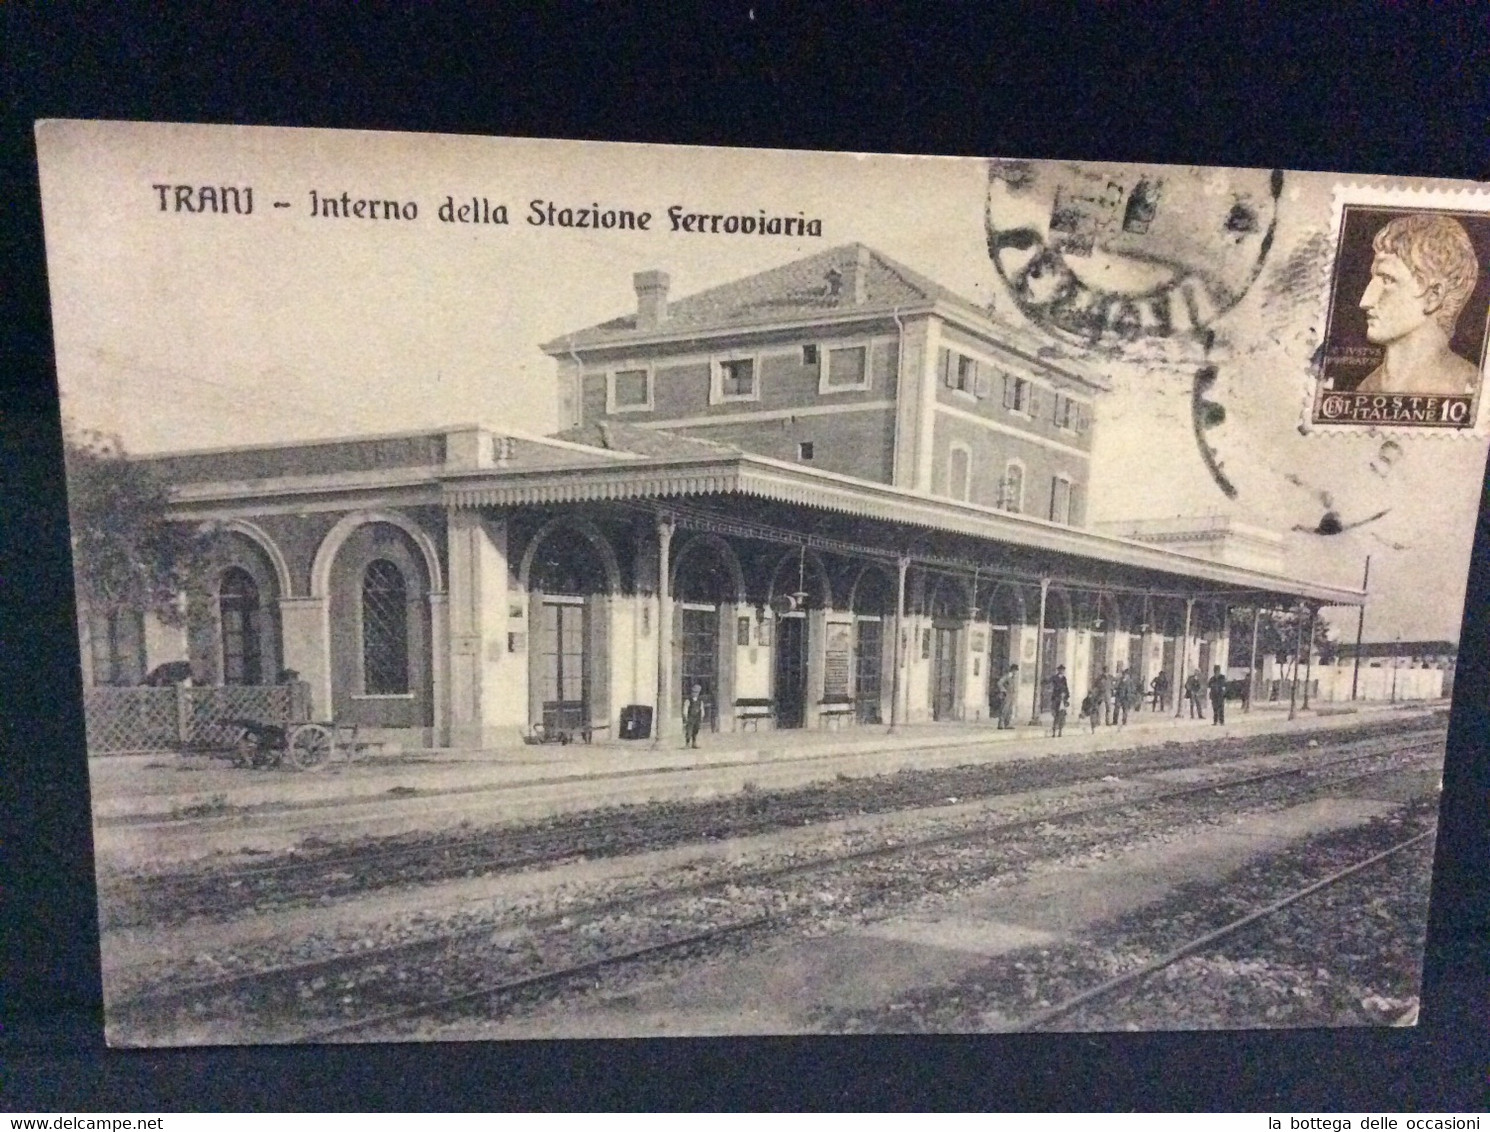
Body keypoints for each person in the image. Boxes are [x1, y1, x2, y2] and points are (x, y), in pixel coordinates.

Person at [1353, 213, 1482, 396]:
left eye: (1388, 280)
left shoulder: (1472, 389)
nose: (1365, 302)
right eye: (1374, 279)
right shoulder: (1365, 389)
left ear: (1433, 296)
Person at [682, 681, 706, 748]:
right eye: (694, 692)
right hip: (690, 717)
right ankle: (687, 743)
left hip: (697, 717)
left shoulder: (700, 701)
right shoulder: (688, 700)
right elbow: (685, 709)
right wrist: (685, 716)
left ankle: (694, 742)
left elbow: (702, 709)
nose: (695, 694)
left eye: (697, 692)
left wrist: (702, 716)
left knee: (696, 729)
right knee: (689, 730)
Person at [1049, 664, 1070, 737]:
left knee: (1062, 715)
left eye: (1063, 670)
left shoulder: (1064, 678)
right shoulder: (1054, 678)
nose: (1062, 671)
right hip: (1056, 698)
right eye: (1061, 670)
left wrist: (1066, 696)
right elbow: (1051, 685)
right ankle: (1054, 731)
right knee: (1056, 715)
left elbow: (1066, 688)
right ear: (1058, 670)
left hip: (1062, 699)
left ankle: (1060, 731)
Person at [996, 664, 1019, 729]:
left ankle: (1007, 724)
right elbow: (999, 683)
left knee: (1010, 710)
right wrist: (1003, 690)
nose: (1016, 672)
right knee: (1004, 709)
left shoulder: (1014, 677)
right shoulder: (1007, 676)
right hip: (1007, 695)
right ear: (1012, 670)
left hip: (1012, 695)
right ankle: (1001, 724)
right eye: (1015, 671)